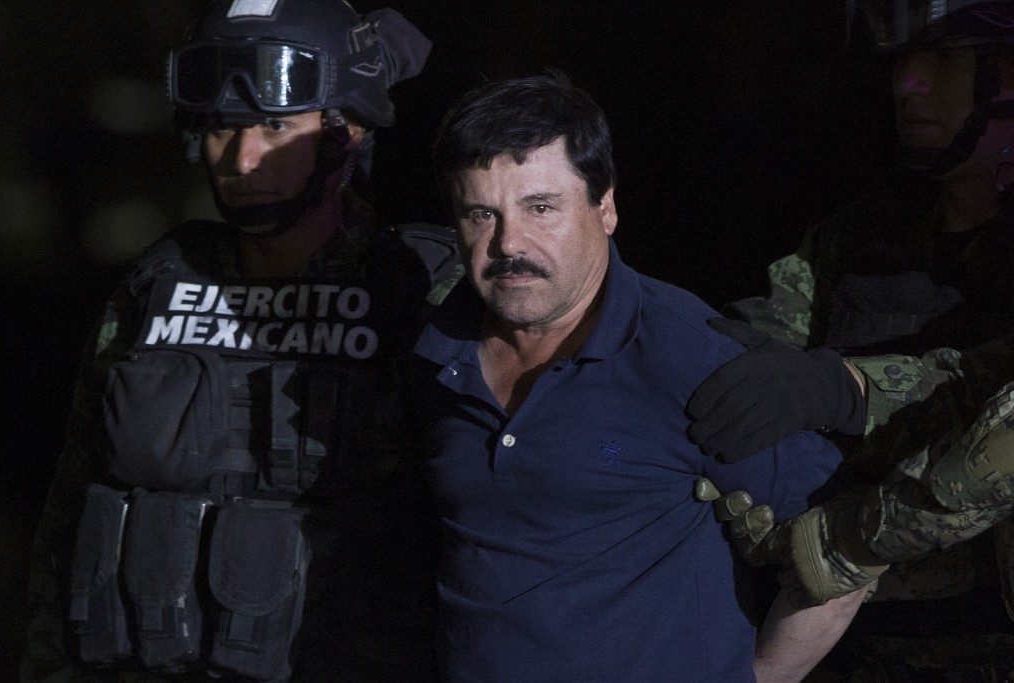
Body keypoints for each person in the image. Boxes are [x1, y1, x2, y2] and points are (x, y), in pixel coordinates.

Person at [22, 1, 456, 680]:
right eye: (223, 128)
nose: (244, 158)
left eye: (276, 126)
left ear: (346, 132)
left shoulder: (424, 289)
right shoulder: (159, 282)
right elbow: (71, 512)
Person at [406, 72, 862, 682]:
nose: (509, 242)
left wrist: (758, 677)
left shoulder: (688, 357)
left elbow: (852, 542)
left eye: (541, 207)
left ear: (605, 208)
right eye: (481, 215)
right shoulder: (436, 352)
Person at [686, 0, 1014, 676]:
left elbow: (983, 396)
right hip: (835, 628)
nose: (909, 84)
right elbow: (767, 328)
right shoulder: (869, 228)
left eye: (945, 60)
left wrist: (844, 389)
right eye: (902, 62)